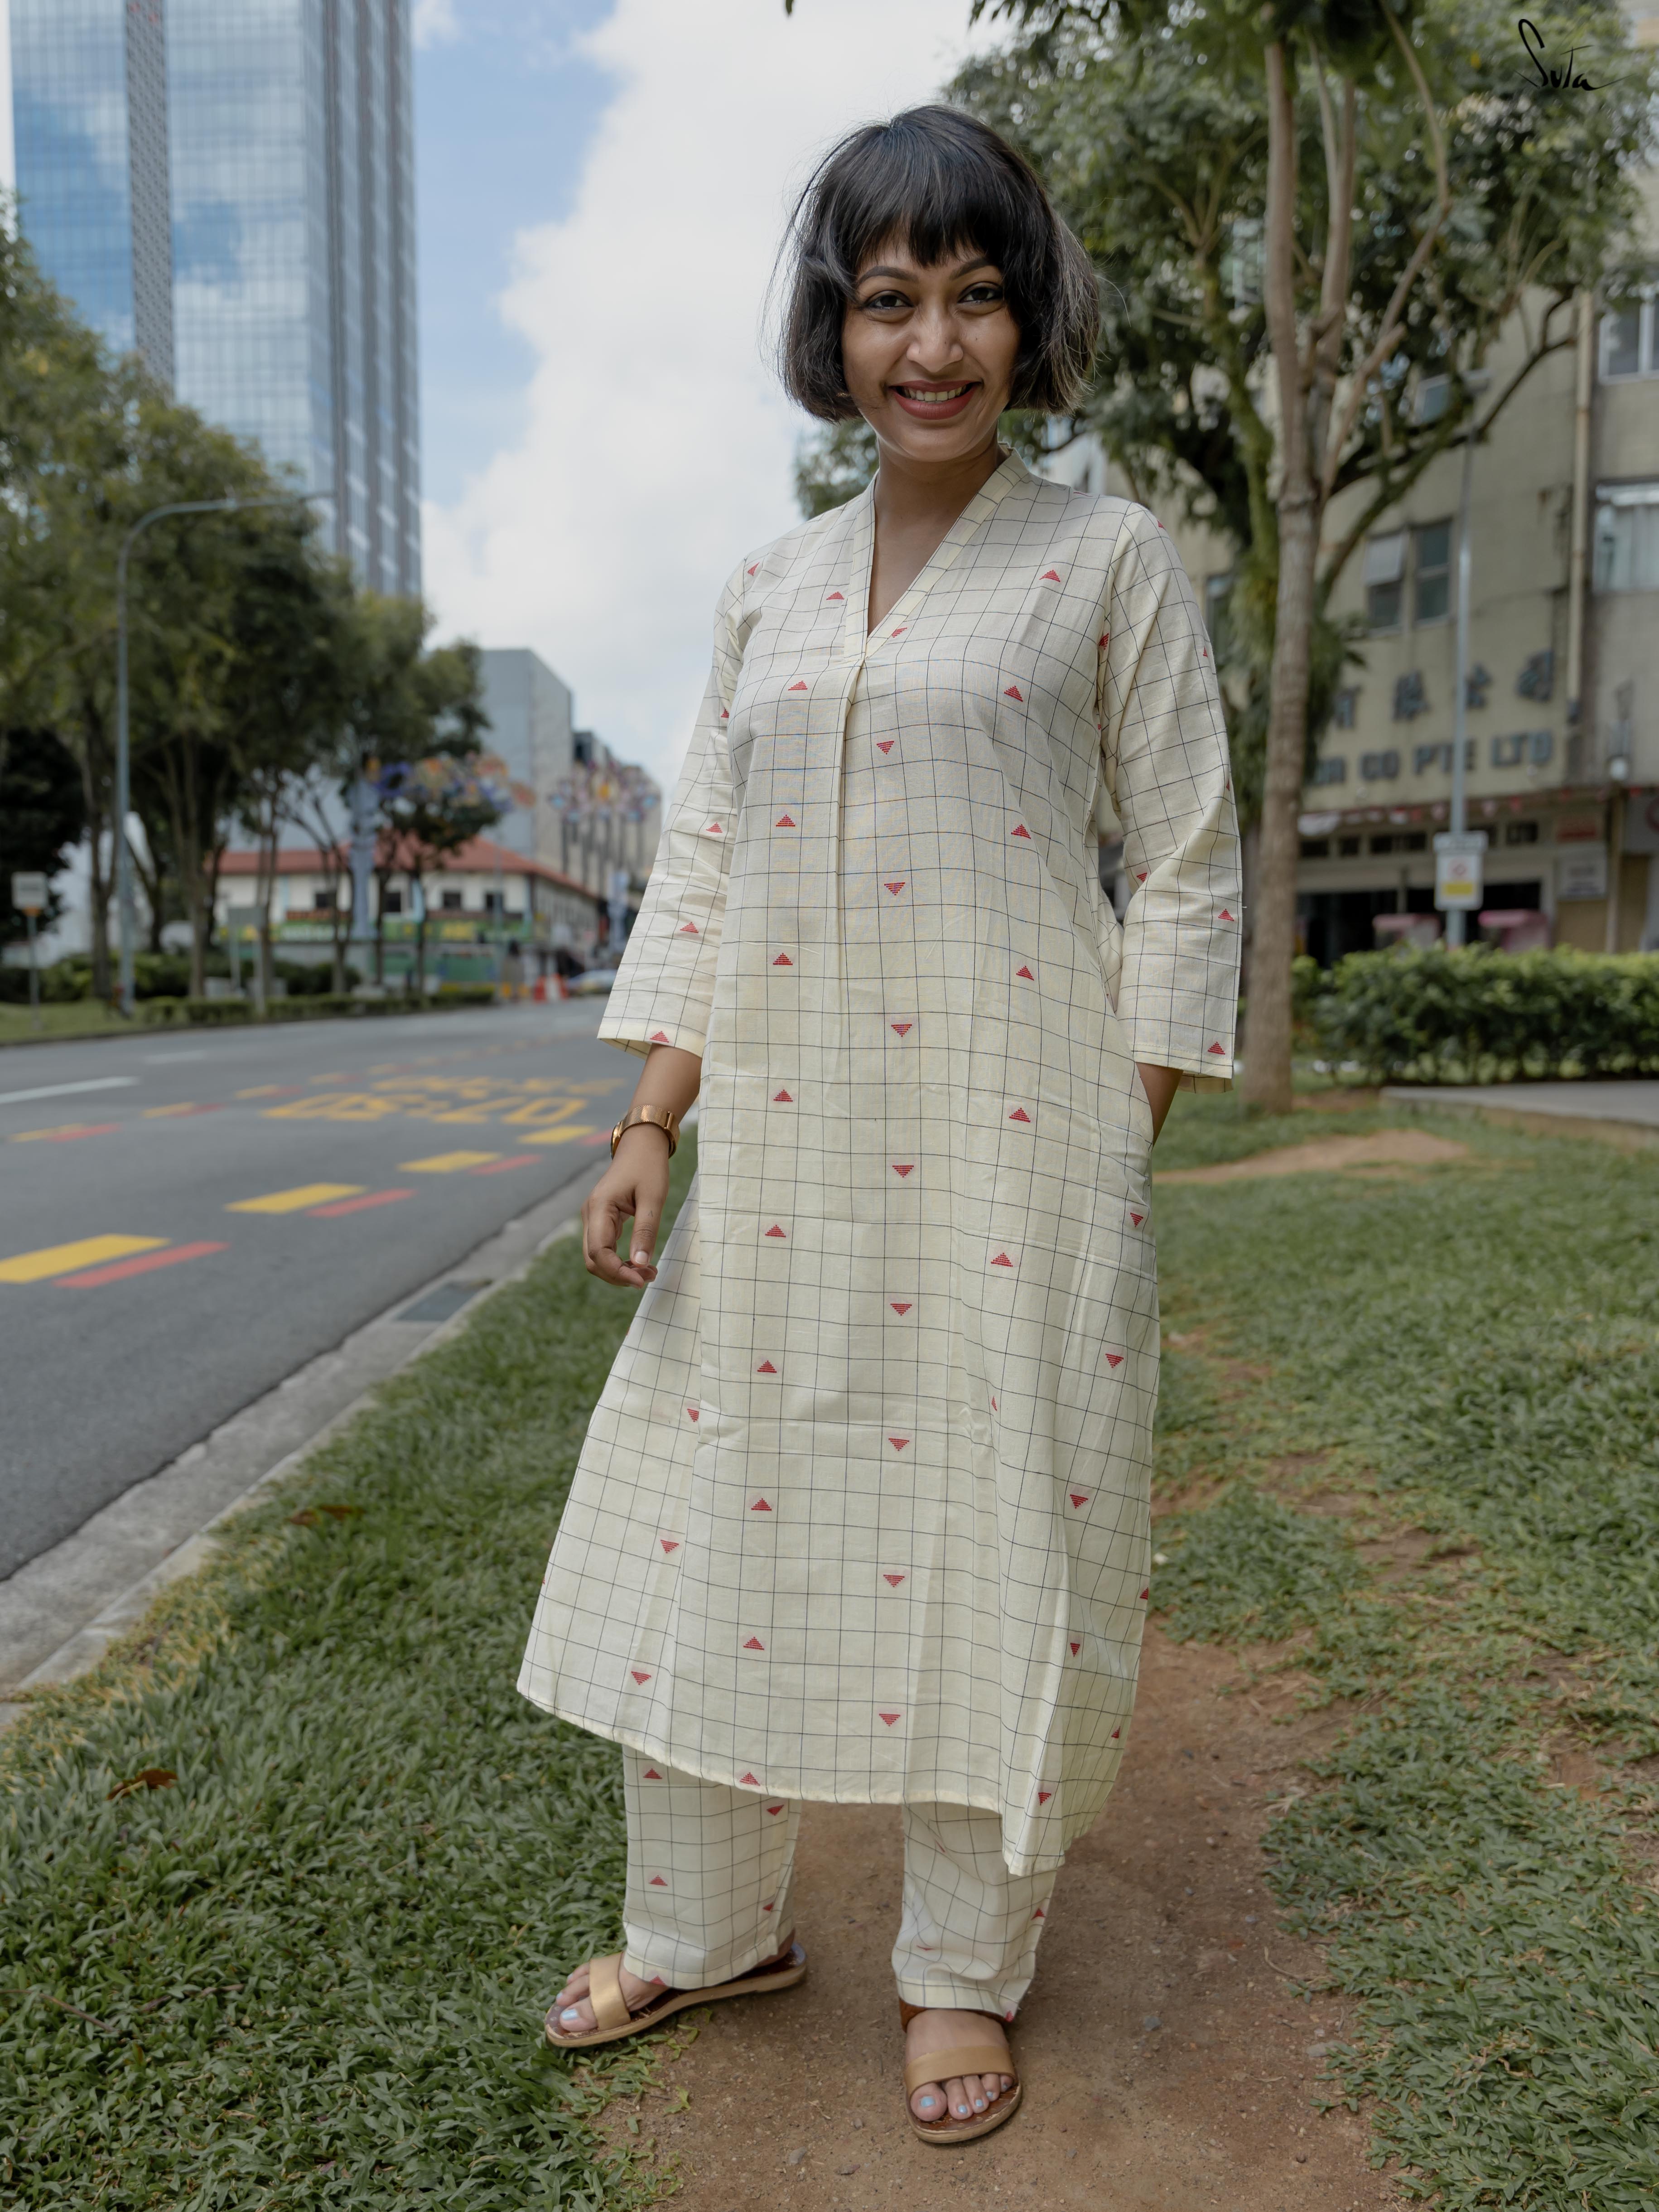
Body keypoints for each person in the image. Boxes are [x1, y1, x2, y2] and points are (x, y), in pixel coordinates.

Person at [519, 103, 1240, 2146]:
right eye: (889, 299)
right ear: (832, 331)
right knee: (708, 1518)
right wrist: (650, 1120)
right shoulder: (767, 586)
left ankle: (958, 1971)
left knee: (994, 1540)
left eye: (976, 296)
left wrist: (1116, 1130)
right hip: (779, 1150)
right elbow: (707, 861)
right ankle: (707, 1927)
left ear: (1030, 322)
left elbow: (1187, 863)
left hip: (1018, 1158)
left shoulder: (1103, 559)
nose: (933, 345)